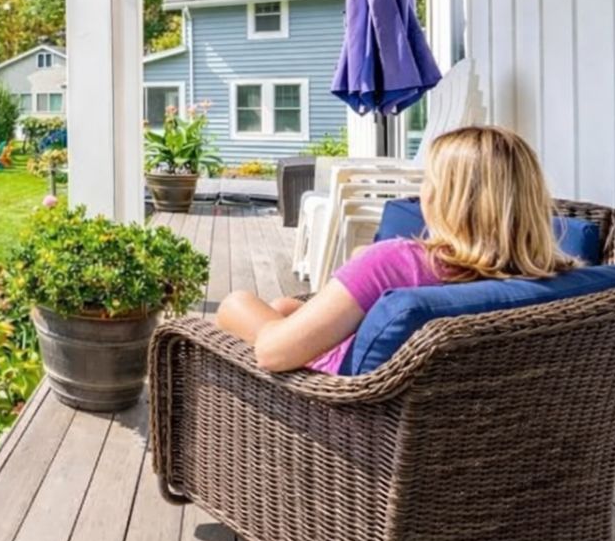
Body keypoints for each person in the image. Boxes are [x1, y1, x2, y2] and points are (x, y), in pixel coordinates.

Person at [216, 125, 576, 373]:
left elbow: (272, 352)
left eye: (429, 180)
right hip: (456, 410)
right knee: (283, 306)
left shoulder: (397, 262)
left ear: (445, 197)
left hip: (345, 404)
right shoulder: (558, 279)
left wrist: (367, 267)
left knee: (237, 305)